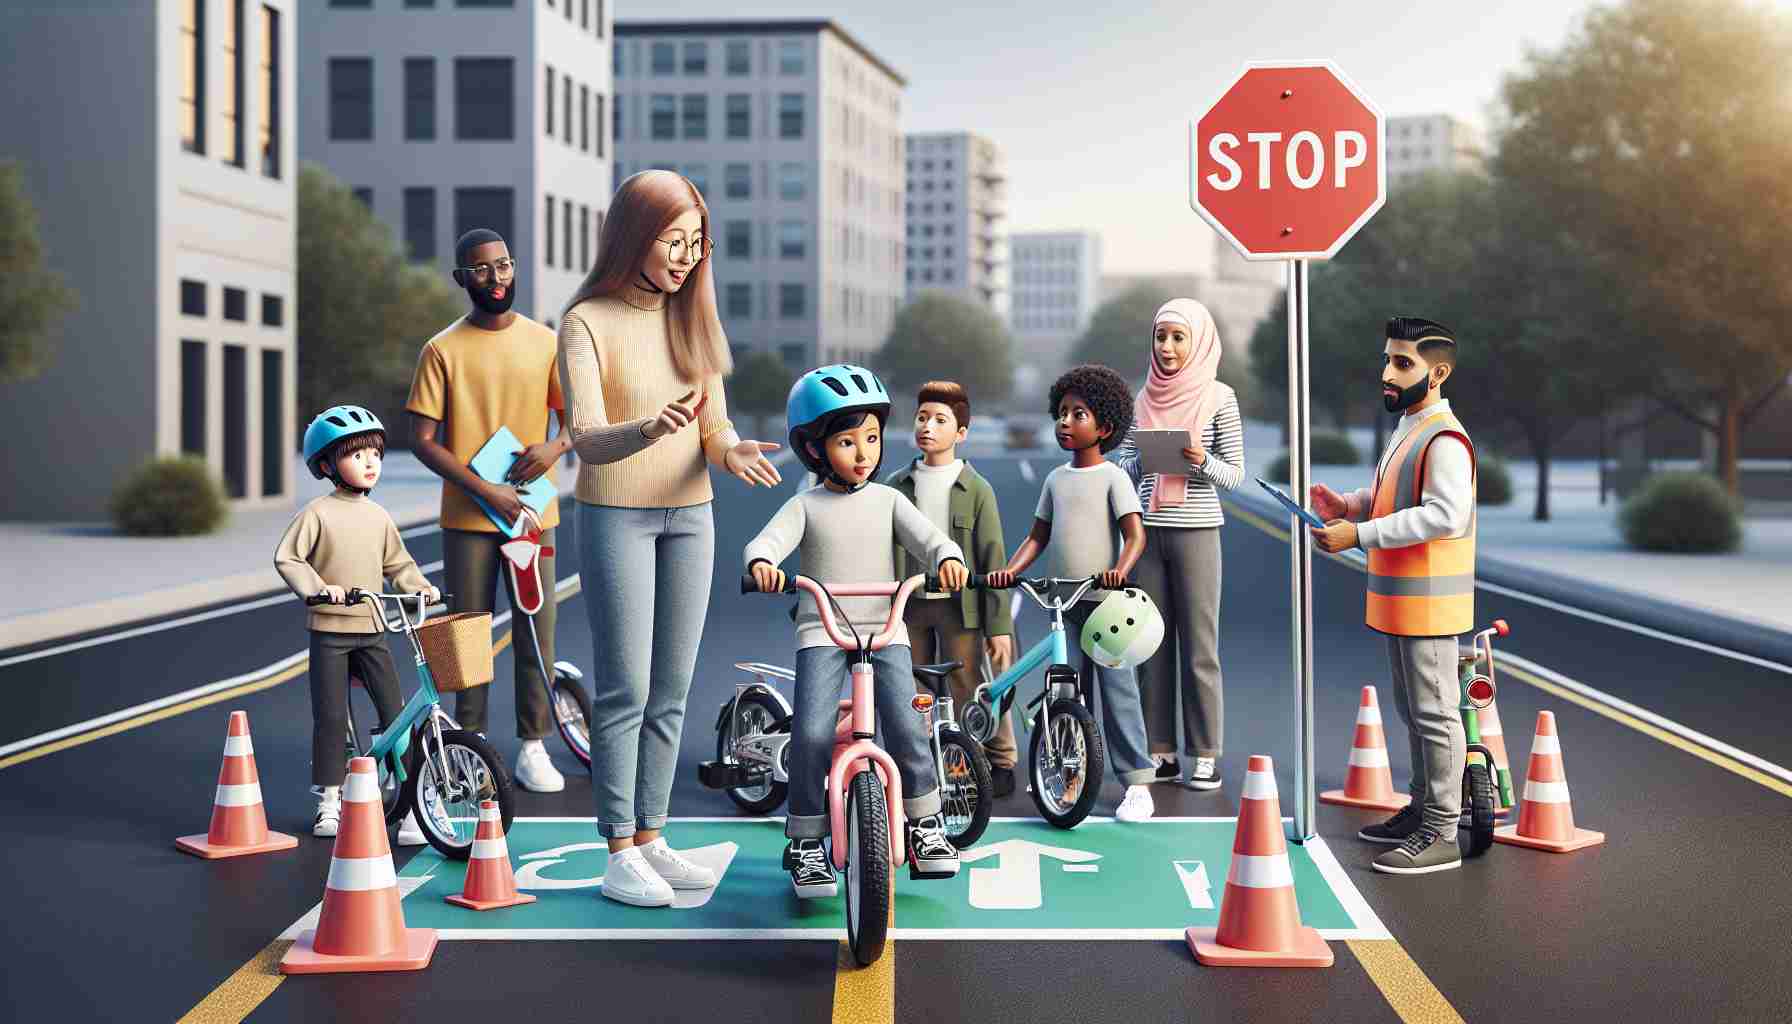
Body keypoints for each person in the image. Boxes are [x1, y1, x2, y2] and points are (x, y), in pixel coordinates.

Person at [557, 170, 783, 908]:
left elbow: (712, 426)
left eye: (695, 243)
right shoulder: (587, 321)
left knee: (674, 688)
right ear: (632, 237)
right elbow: (586, 441)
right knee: (626, 687)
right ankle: (618, 848)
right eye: (671, 241)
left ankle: (653, 835)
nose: (685, 257)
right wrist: (649, 428)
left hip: (692, 515)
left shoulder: (693, 320)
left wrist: (730, 449)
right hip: (615, 512)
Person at [745, 364, 967, 899]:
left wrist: (950, 558)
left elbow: (930, 539)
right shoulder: (805, 505)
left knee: (907, 727)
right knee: (812, 734)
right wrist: (762, 566)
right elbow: (766, 543)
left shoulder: (889, 500)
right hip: (822, 627)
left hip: (884, 625)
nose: (864, 452)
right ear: (815, 449)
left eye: (871, 438)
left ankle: (926, 824)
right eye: (848, 441)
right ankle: (805, 840)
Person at [407, 228, 570, 795]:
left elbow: (575, 417)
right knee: (466, 638)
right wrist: (484, 488)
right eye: (480, 269)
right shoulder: (442, 350)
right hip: (468, 519)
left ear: (514, 267)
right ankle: (467, 746)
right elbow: (423, 439)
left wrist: (554, 447)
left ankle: (533, 746)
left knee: (537, 631)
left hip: (532, 514)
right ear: (462, 278)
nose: (495, 277)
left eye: (502, 265)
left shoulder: (545, 343)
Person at [1311, 316, 1475, 876]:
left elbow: (1444, 515)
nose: (1387, 372)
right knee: (1415, 712)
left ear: (1439, 373)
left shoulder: (1445, 437)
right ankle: (1424, 808)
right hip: (1403, 602)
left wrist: (1357, 534)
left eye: (1403, 363)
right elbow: (1396, 496)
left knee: (1434, 715)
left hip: (1429, 604)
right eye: (1388, 359)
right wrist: (1351, 506)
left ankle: (1442, 832)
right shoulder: (1411, 427)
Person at [987, 365, 1157, 822]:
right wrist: (1009, 571)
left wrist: (1118, 571)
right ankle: (1072, 773)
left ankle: (1138, 782)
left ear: (1104, 426)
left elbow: (1135, 536)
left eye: (1077, 414)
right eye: (1061, 413)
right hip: (1063, 604)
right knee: (1067, 691)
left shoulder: (1113, 478)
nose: (1065, 422)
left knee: (1119, 693)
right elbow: (1037, 537)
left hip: (1106, 607)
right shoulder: (1055, 480)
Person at [276, 405, 438, 845]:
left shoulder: (379, 517)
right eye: (357, 455)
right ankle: (329, 799)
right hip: (330, 630)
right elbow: (288, 557)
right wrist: (318, 588)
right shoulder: (317, 513)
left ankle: (410, 805)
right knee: (331, 717)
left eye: (376, 454)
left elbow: (398, 564)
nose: (370, 463)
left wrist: (420, 587)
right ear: (327, 465)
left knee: (396, 715)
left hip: (372, 628)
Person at [1112, 299, 1245, 791]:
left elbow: (1235, 475)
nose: (1167, 347)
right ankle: (1161, 751)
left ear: (1198, 341)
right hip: (1148, 533)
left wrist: (1200, 460)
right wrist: (1141, 462)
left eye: (1178, 337)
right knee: (1150, 646)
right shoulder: (1140, 398)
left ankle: (1205, 752)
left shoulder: (1220, 398)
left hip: (1197, 532)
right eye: (1160, 337)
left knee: (1199, 648)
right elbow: (1123, 463)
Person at [885, 381, 1019, 797]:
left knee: (971, 685)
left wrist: (998, 626)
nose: (928, 426)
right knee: (914, 687)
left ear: (961, 433)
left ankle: (999, 758)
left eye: (940, 420)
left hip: (962, 607)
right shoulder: (896, 484)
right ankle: (926, 761)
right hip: (911, 605)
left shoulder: (977, 489)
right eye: (922, 417)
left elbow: (994, 558)